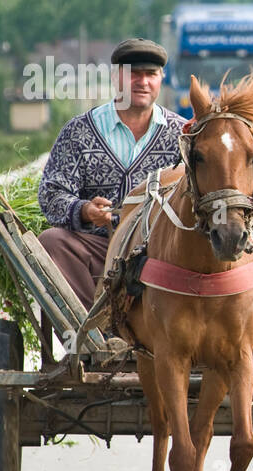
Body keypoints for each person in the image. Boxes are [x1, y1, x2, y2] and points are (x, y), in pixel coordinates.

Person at [38, 38, 186, 309]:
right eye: (134, 74)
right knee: (52, 242)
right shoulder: (79, 132)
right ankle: (95, 330)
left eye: (150, 74)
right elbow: (51, 193)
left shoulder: (182, 135)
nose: (142, 82)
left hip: (161, 252)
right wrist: (84, 210)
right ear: (116, 77)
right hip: (98, 246)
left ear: (161, 78)